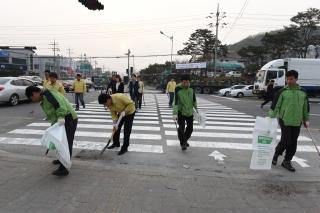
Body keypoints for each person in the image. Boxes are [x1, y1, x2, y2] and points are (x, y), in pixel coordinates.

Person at [25, 86, 78, 176]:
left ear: (34, 93)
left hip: (68, 118)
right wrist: (54, 124)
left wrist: (61, 117)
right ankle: (61, 159)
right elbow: (52, 112)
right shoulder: (43, 98)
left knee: (66, 142)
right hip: (60, 120)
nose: (33, 100)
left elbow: (60, 105)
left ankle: (64, 168)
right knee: (58, 141)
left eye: (32, 98)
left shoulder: (48, 94)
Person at [269, 70, 310, 172]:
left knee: (293, 142)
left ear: (296, 79)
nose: (289, 81)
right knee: (286, 140)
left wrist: (306, 119)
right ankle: (276, 154)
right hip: (284, 119)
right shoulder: (282, 91)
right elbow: (275, 106)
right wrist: (270, 117)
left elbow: (306, 107)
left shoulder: (303, 92)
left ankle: (287, 161)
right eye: (287, 79)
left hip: (297, 120)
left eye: (291, 79)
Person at [173, 75, 197, 151]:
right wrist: (174, 113)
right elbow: (175, 101)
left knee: (190, 128)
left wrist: (197, 110)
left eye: (187, 82)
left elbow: (194, 100)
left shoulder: (191, 88)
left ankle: (185, 140)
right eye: (184, 82)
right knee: (181, 128)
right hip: (181, 111)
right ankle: (183, 143)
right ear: (181, 82)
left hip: (189, 111)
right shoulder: (178, 88)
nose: (186, 84)